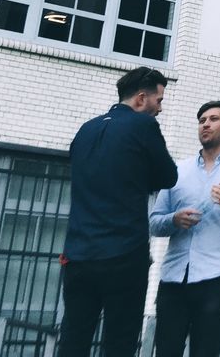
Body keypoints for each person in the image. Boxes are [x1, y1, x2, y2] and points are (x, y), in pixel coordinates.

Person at [58, 68, 178, 357]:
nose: (159, 109)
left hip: (77, 255)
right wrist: (142, 180)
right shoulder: (143, 127)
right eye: (158, 101)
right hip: (123, 254)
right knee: (119, 342)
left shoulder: (86, 129)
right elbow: (168, 176)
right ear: (140, 99)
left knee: (73, 338)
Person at [150, 100, 220, 357]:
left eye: (213, 119)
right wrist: (174, 220)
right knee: (166, 351)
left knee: (206, 351)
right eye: (202, 120)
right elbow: (154, 222)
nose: (205, 125)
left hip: (216, 276)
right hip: (173, 277)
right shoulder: (178, 169)